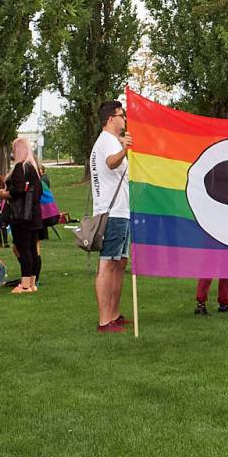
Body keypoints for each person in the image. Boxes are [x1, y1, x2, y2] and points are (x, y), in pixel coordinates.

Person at [90, 100, 132, 332]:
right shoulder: (107, 141)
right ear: (110, 119)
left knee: (119, 262)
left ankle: (114, 313)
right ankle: (105, 319)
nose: (124, 119)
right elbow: (111, 162)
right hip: (112, 211)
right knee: (107, 264)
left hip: (120, 210)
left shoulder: (111, 141)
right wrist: (124, 149)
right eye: (121, 115)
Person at [0, 138, 45, 295]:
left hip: (21, 217)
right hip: (34, 214)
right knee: (33, 249)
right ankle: (32, 283)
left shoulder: (21, 167)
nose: (13, 152)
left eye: (14, 149)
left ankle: (25, 284)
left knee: (23, 248)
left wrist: (1, 190)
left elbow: (17, 190)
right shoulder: (33, 168)